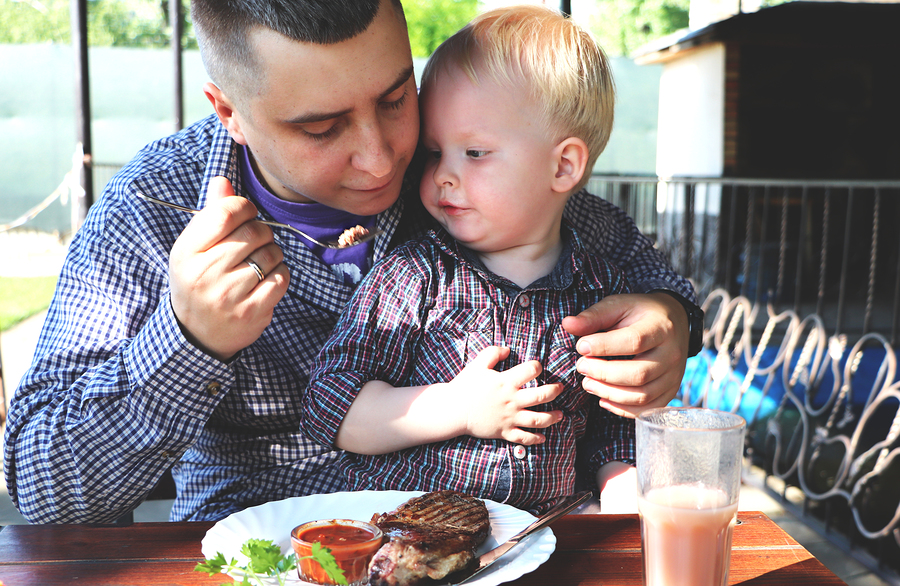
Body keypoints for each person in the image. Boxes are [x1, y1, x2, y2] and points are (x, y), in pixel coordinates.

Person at [3, 0, 696, 524]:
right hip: (257, 549)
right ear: (228, 111)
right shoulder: (155, 206)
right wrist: (187, 340)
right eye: (320, 127)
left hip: (490, 544)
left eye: (397, 97)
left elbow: (632, 265)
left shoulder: (464, 162)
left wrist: (669, 326)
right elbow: (43, 491)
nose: (383, 155)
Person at [303, 5, 645, 514]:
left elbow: (614, 427)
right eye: (434, 152)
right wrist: (461, 408)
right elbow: (331, 407)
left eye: (475, 153)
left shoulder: (601, 292)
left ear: (564, 165)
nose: (443, 174)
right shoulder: (415, 274)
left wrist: (621, 496)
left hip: (542, 538)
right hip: (410, 531)